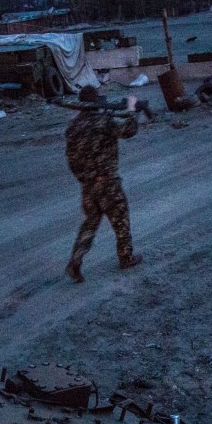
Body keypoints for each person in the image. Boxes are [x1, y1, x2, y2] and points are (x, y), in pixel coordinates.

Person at [64, 86, 143, 283]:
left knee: (90, 223)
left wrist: (84, 178)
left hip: (88, 185)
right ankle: (126, 257)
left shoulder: (73, 127)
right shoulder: (102, 121)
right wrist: (132, 110)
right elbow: (129, 130)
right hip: (108, 182)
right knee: (120, 220)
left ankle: (75, 259)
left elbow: (71, 160)